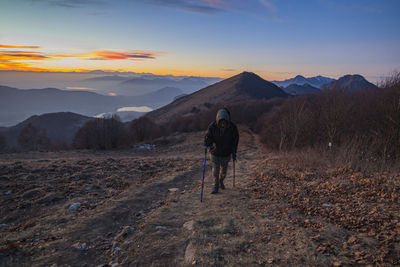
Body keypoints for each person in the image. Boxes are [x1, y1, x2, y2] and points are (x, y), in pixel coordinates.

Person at [204, 108, 239, 194]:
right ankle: (215, 186)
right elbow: (208, 137)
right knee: (215, 171)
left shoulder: (232, 127)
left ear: (227, 120)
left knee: (223, 172)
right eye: (221, 122)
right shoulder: (212, 126)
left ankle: (221, 180)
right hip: (215, 153)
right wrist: (208, 143)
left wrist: (234, 152)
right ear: (218, 120)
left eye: (225, 122)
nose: (223, 124)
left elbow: (235, 140)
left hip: (226, 153)